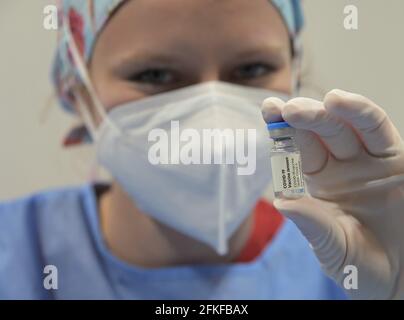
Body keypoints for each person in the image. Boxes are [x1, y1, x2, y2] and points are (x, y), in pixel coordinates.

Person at [0, 0, 403, 300]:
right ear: (78, 90)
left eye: (252, 69)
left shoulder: (349, 264)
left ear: (295, 72)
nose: (212, 118)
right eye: (154, 75)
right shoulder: (15, 253)